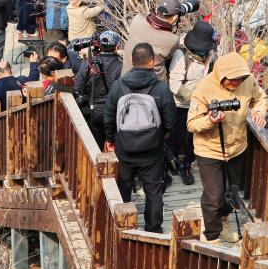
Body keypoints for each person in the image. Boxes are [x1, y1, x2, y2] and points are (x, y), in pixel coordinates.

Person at [187, 52, 268, 243]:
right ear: (221, 75)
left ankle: (224, 221)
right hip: (209, 149)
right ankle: (212, 235)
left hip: (237, 147)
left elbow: (260, 97)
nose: (236, 83)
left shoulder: (247, 82)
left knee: (231, 190)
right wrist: (210, 120)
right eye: (232, 80)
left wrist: (258, 112)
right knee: (214, 194)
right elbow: (191, 123)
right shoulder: (203, 89)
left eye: (240, 79)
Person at [103, 43, 176, 234]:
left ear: (130, 61)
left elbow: (109, 115)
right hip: (152, 150)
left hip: (124, 147)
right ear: (152, 62)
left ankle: (122, 224)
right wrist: (162, 136)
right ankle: (153, 229)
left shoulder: (119, 87)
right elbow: (171, 121)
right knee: (153, 191)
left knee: (123, 187)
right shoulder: (161, 89)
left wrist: (110, 139)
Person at [167, 21, 217, 186]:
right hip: (180, 104)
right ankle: (171, 163)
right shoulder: (181, 56)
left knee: (193, 139)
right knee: (177, 136)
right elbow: (174, 85)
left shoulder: (209, 54)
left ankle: (186, 165)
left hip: (199, 105)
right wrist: (195, 98)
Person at [74, 30, 123, 148]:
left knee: (93, 146)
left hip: (90, 110)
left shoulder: (87, 63)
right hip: (111, 112)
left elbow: (78, 87)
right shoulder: (121, 66)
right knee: (111, 145)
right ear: (117, 47)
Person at [122, 0, 188, 81]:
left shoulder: (137, 19)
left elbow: (147, 17)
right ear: (175, 17)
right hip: (152, 86)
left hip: (125, 78)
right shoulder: (173, 40)